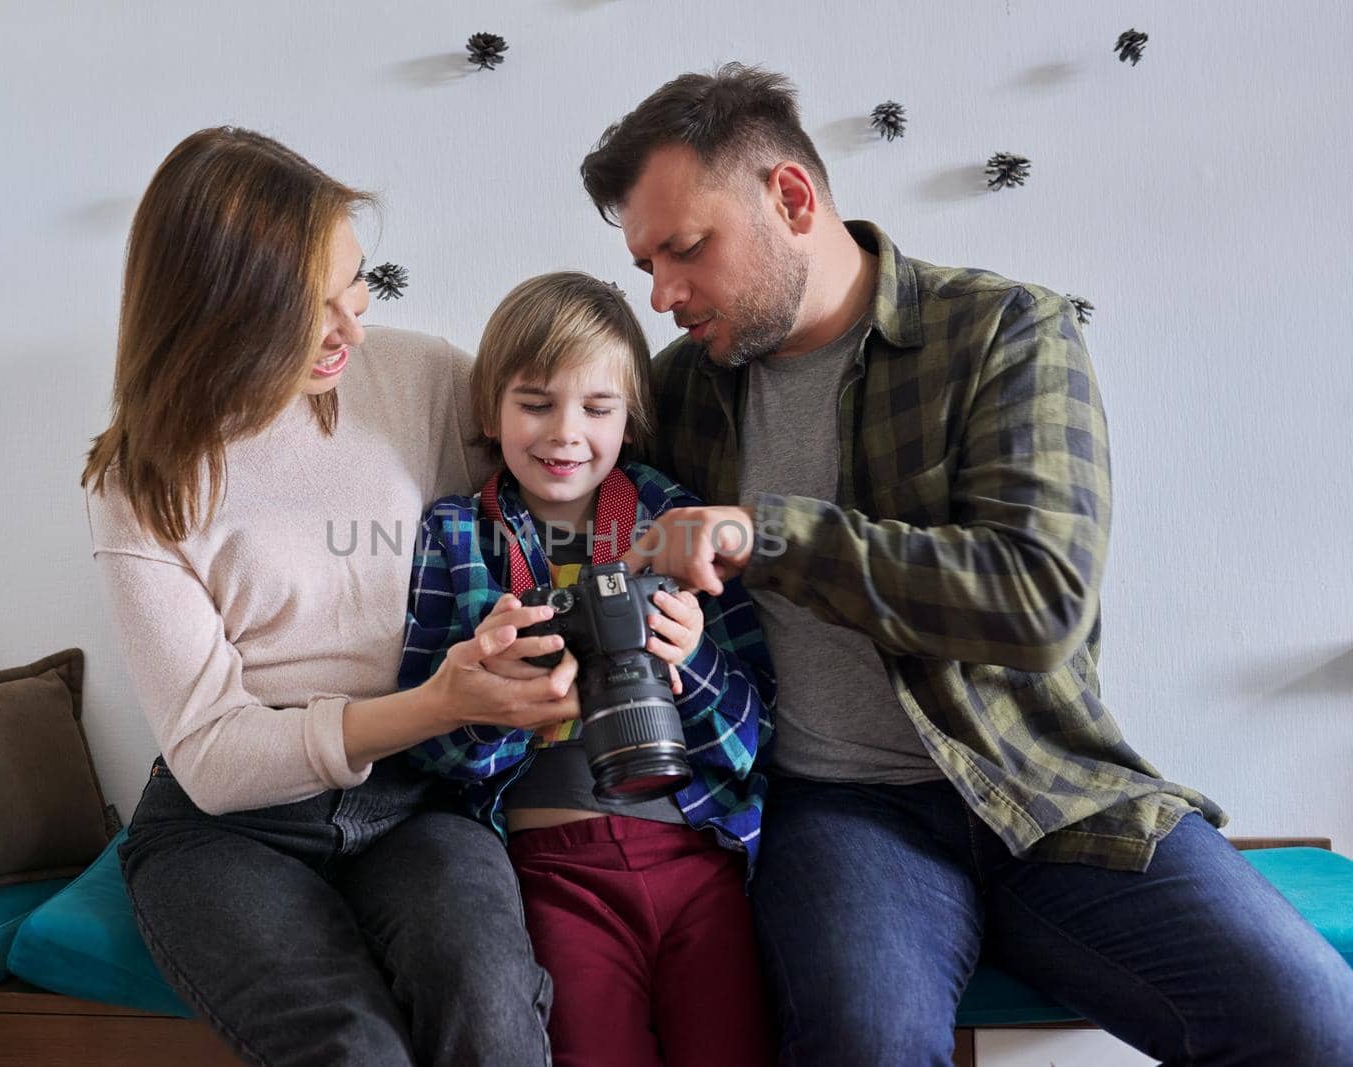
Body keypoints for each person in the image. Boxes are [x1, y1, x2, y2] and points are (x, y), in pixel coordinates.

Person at [577, 65, 1353, 1065]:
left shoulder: (1003, 331)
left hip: (1044, 783)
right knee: (864, 1045)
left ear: (792, 198)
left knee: (1314, 1025)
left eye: (685, 249)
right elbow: (559, 481)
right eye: (645, 263)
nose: (663, 294)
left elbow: (1037, 597)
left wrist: (766, 534)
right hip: (838, 809)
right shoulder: (682, 390)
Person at [81, 126, 575, 1067]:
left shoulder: (422, 377)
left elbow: (564, 478)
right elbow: (216, 757)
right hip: (229, 832)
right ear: (219, 314)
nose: (353, 323)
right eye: (308, 308)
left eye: (356, 280)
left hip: (420, 801)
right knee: (354, 1047)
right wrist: (437, 703)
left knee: (491, 1006)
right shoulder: (142, 480)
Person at [398, 272, 776, 1067]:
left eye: (597, 409)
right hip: (549, 868)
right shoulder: (459, 535)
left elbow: (759, 728)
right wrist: (497, 699)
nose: (565, 432)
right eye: (535, 402)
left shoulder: (676, 520)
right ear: (488, 409)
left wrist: (692, 657)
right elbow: (424, 744)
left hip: (698, 860)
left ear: (631, 417)